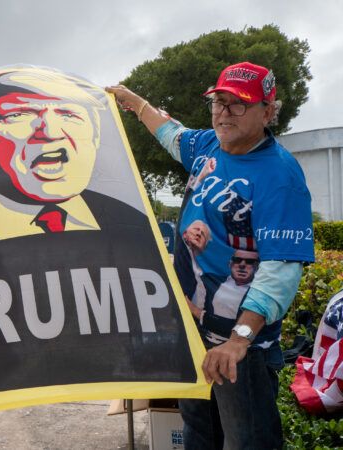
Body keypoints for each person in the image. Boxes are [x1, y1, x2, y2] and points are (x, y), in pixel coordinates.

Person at [0, 69, 196, 401]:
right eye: (19, 115)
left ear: (97, 140)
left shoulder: (130, 224)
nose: (51, 132)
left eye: (70, 115)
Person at [108, 61, 314, 449]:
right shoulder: (208, 145)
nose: (224, 112)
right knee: (198, 431)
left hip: (238, 351)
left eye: (238, 104)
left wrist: (238, 340)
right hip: (193, 332)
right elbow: (172, 134)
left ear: (268, 112)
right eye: (218, 102)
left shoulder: (280, 177)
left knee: (246, 440)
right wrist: (135, 103)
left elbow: (281, 269)